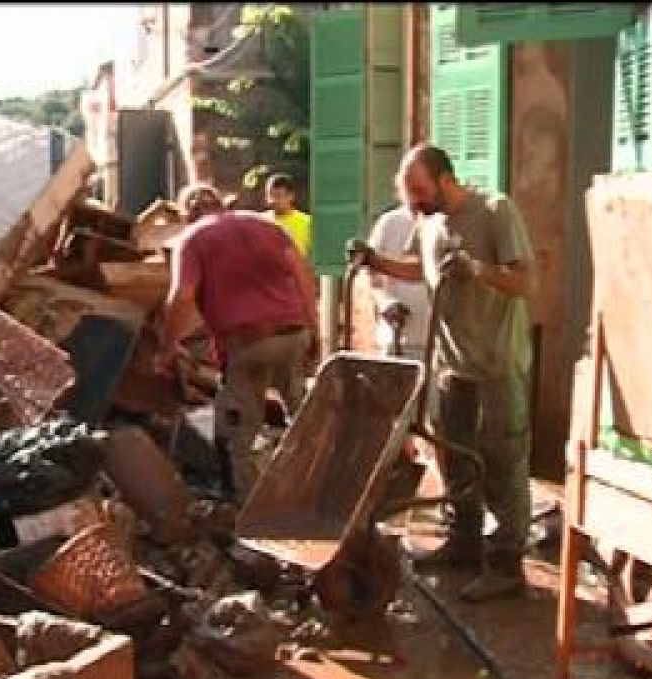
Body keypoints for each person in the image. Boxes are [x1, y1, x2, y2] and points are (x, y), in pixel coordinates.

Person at [347, 143, 535, 603]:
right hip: (453, 365)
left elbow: (525, 279)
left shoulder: (495, 211)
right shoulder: (429, 223)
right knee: (456, 458)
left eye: (418, 190)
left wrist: (479, 270)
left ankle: (507, 564)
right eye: (407, 193)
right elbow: (419, 270)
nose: (412, 201)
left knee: (503, 462)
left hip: (497, 363)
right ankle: (464, 543)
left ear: (445, 179)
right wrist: (376, 261)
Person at [157, 206, 320, 501]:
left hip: (248, 344)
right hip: (293, 333)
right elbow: (303, 276)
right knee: (306, 419)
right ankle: (317, 490)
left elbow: (182, 295)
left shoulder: (192, 239)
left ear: (188, 216)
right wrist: (315, 329)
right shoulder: (266, 226)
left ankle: (244, 509)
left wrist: (168, 346)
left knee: (238, 434)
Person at [362, 199, 431, 358]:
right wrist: (384, 302)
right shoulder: (389, 222)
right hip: (396, 337)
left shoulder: (446, 222)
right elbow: (371, 273)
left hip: (438, 340)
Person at [265, 172, 313, 259]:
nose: (273, 201)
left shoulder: (307, 222)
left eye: (278, 196)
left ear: (290, 196)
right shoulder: (260, 222)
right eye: (270, 196)